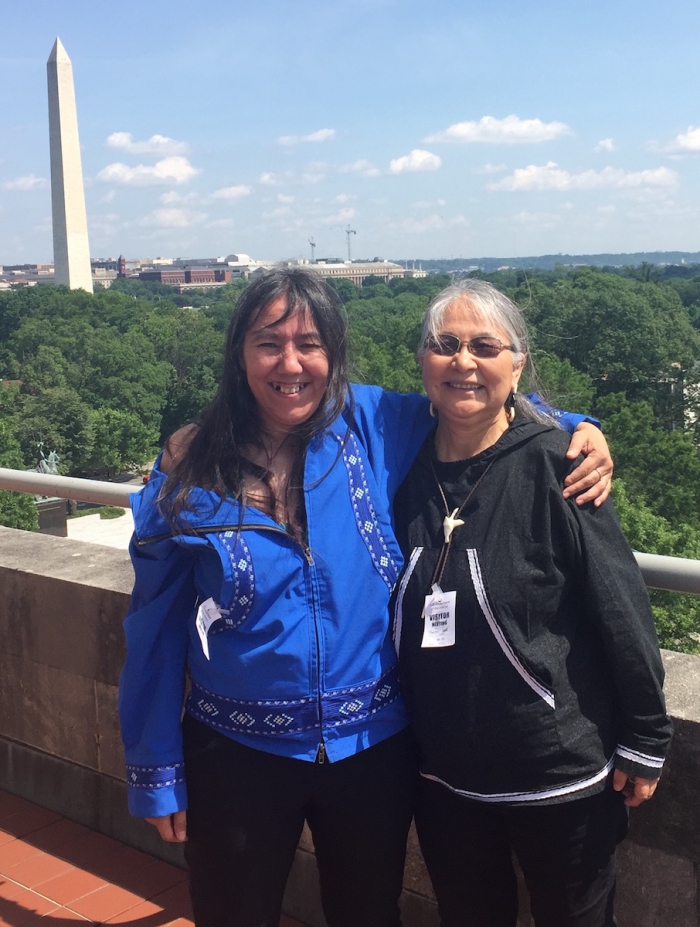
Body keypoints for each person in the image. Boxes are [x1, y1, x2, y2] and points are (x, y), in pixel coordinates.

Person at [118, 268, 613, 927]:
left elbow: (475, 401)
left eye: (310, 342)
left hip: (373, 751)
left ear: (334, 354)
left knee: (368, 913)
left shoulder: (373, 422)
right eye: (269, 342)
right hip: (235, 751)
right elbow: (154, 627)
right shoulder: (189, 466)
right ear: (239, 354)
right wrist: (155, 765)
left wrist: (581, 428)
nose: (290, 363)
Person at [391, 279, 672, 927]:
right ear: (422, 359)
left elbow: (620, 607)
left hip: (557, 775)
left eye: (485, 346)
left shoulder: (560, 463)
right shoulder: (399, 469)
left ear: (517, 363)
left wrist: (646, 737)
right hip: (444, 776)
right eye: (445, 344)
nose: (464, 361)